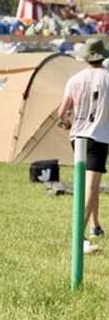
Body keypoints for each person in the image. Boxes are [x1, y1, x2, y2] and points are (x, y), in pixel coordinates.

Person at [57, 38, 109, 254]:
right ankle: (79, 238)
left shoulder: (74, 79)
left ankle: (94, 226)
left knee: (89, 184)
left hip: (76, 137)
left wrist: (67, 123)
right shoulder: (107, 78)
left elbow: (62, 113)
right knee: (91, 185)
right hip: (99, 136)